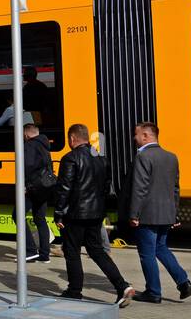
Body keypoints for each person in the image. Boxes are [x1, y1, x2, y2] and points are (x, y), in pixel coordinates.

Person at [54, 123, 134, 307]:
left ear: (72, 139)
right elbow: (106, 187)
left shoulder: (70, 158)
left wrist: (59, 213)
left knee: (72, 252)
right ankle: (122, 286)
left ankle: (74, 291)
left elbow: (64, 189)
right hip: (96, 214)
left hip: (75, 215)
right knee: (97, 251)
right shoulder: (101, 159)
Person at [127, 122, 191, 303]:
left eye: (137, 134)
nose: (135, 138)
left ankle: (153, 292)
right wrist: (174, 213)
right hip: (166, 213)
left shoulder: (143, 157)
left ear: (146, 136)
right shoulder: (171, 157)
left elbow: (139, 188)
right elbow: (176, 189)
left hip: (148, 214)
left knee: (147, 253)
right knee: (161, 248)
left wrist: (134, 214)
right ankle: (183, 282)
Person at [22, 123, 54, 261]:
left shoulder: (30, 145)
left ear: (26, 134)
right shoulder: (44, 144)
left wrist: (24, 185)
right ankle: (44, 254)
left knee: (17, 216)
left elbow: (27, 166)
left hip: (33, 188)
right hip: (45, 186)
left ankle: (30, 250)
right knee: (40, 219)